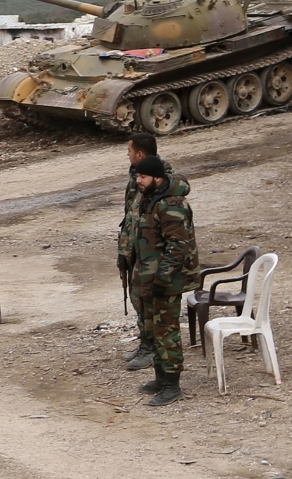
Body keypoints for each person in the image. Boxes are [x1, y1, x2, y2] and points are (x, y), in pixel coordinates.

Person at [129, 155, 199, 406]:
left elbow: (178, 246)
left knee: (166, 331)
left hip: (165, 281)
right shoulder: (151, 199)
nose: (138, 181)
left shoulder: (171, 204)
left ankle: (172, 386)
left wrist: (162, 278)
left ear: (157, 178)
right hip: (149, 279)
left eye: (143, 177)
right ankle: (160, 378)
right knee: (152, 329)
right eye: (137, 176)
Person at [117, 133, 173, 371]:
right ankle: (145, 343)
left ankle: (152, 349)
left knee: (149, 302)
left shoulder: (159, 177)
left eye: (129, 151)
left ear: (139, 154)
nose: (127, 155)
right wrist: (124, 250)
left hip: (151, 252)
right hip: (136, 249)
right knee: (138, 299)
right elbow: (130, 215)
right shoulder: (137, 178)